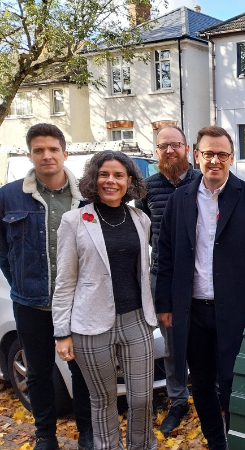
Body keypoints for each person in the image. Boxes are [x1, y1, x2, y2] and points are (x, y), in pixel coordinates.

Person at [155, 126, 245, 450]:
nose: (215, 160)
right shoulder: (180, 199)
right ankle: (217, 443)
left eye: (222, 154)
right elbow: (165, 253)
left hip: (235, 311)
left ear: (232, 157)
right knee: (202, 384)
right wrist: (164, 304)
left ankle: (237, 441)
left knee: (232, 383)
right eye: (208, 154)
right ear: (197, 156)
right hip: (193, 312)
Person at [52, 151, 157, 450]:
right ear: (93, 179)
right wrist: (62, 332)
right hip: (90, 325)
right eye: (104, 174)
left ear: (130, 181)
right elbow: (65, 281)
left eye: (119, 175)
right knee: (103, 400)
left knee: (142, 397)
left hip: (137, 319)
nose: (111, 181)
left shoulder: (140, 219)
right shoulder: (74, 220)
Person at [0, 124, 93, 450]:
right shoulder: (9, 196)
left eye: (53, 149)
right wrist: (22, 283)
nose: (47, 155)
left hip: (79, 304)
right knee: (39, 374)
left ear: (65, 153)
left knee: (83, 373)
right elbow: (3, 249)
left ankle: (88, 435)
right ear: (30, 155)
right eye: (39, 150)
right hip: (31, 305)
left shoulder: (86, 196)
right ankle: (45, 436)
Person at [134, 125, 200, 435]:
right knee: (173, 344)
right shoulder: (146, 189)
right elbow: (144, 234)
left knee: (206, 340)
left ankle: (210, 392)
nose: (170, 150)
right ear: (157, 152)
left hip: (203, 278)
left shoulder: (206, 182)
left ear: (187, 148)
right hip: (164, 279)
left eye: (175, 144)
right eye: (163, 146)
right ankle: (178, 400)